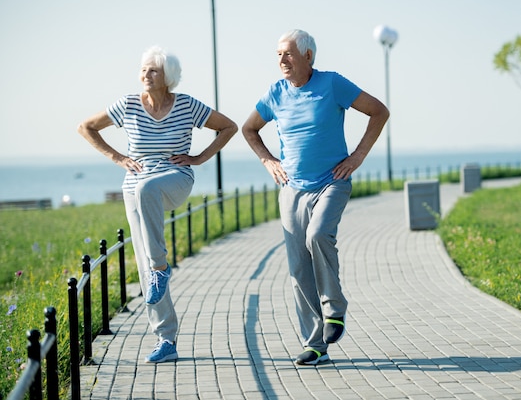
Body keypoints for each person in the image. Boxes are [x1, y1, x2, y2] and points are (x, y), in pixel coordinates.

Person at [78, 45, 238, 363]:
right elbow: (86, 127)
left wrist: (199, 158)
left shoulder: (187, 105)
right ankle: (166, 338)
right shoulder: (127, 105)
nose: (146, 75)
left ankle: (161, 268)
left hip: (175, 178)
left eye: (153, 70)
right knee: (145, 263)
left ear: (168, 76)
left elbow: (228, 126)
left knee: (150, 194)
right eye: (143, 69)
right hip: (134, 186)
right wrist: (118, 157)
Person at [242, 29, 389, 366]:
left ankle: (334, 308)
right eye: (278, 54)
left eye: (288, 53)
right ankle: (315, 344)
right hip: (291, 187)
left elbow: (378, 111)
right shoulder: (275, 93)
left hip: (331, 182)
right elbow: (248, 129)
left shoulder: (332, 84)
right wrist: (268, 161)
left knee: (318, 234)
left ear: (308, 56)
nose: (282, 60)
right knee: (298, 268)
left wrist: (358, 157)